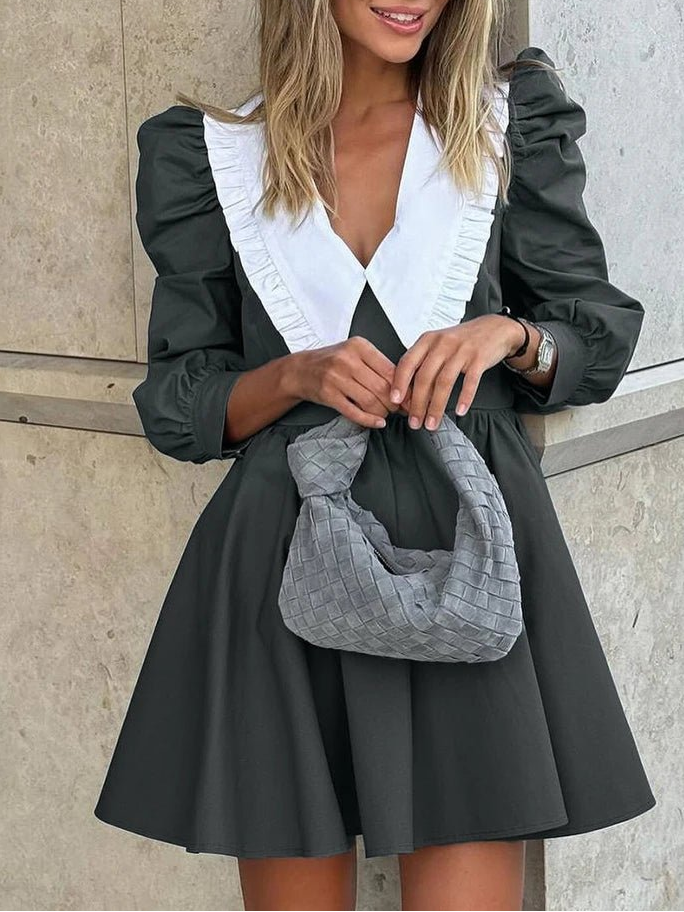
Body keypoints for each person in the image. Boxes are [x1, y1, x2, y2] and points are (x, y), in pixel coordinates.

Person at [94, 1, 656, 909]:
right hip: (285, 557)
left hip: (469, 556)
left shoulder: (505, 124)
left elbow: (593, 331)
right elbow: (178, 402)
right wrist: (293, 375)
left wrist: (507, 336)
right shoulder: (213, 155)